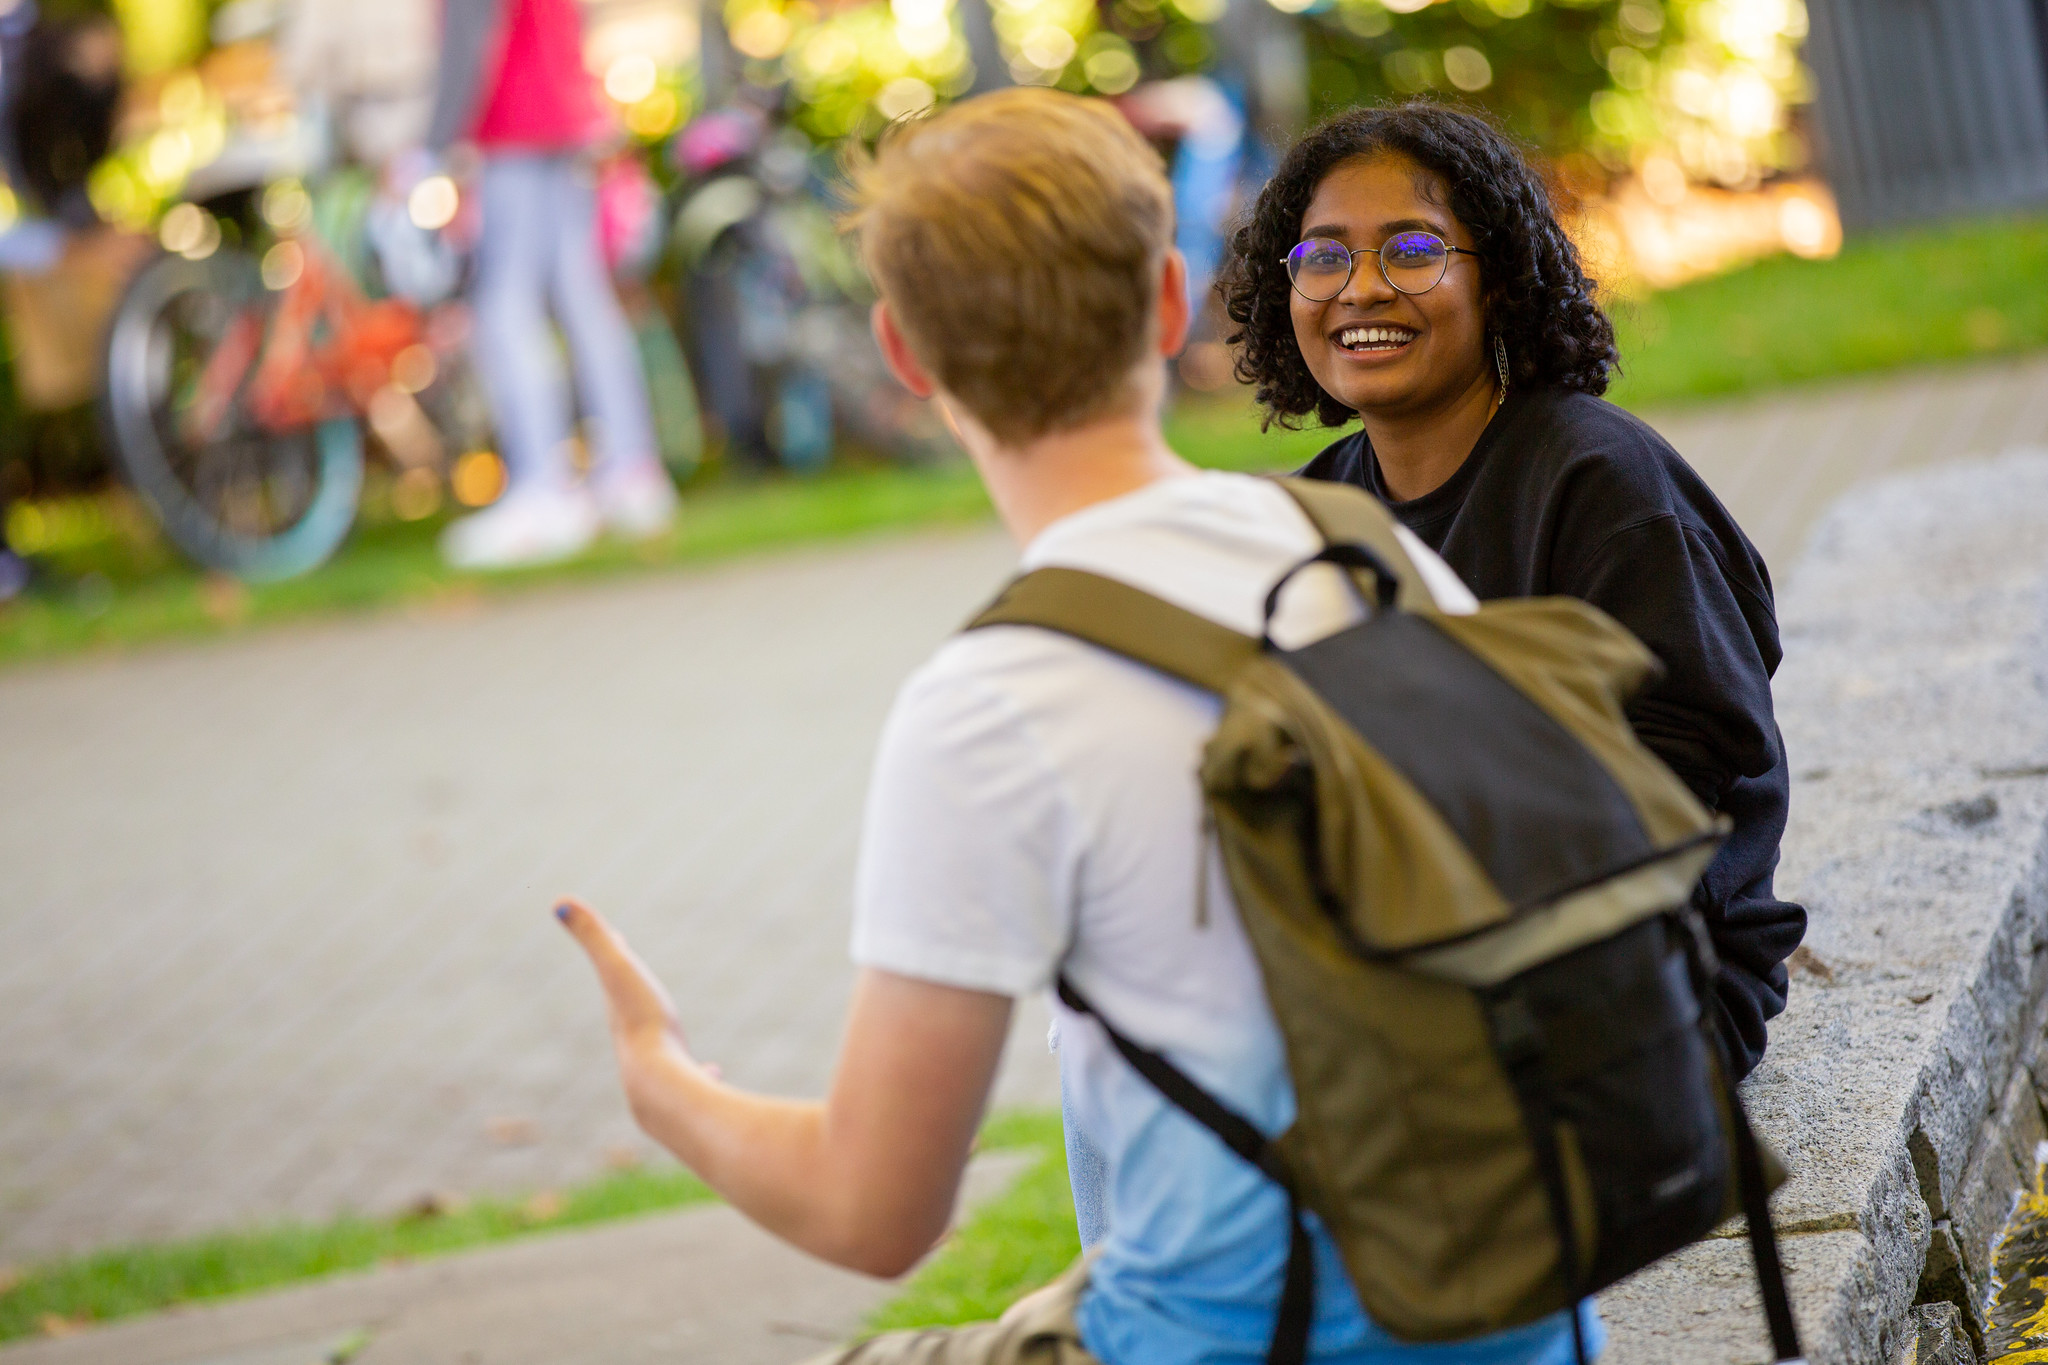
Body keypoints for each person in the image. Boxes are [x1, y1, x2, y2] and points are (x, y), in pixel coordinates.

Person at [556, 86, 1599, 1364]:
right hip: (1531, 1321)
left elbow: (872, 1211)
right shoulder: (1355, 547)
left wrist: (663, 1083)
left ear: (903, 355)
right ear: (1169, 303)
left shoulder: (993, 703)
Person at [1216, 102, 1805, 1082]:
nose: (1360, 288)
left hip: (1644, 981)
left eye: (1410, 250)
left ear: (1496, 278)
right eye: (1321, 258)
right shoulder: (1310, 513)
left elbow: (1680, 777)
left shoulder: (1596, 481)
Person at [420, 0, 675, 569]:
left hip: (512, 128)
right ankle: (632, 472)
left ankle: (544, 487)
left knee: (505, 312)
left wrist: (434, 147)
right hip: (565, 116)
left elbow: (469, 35)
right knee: (584, 299)